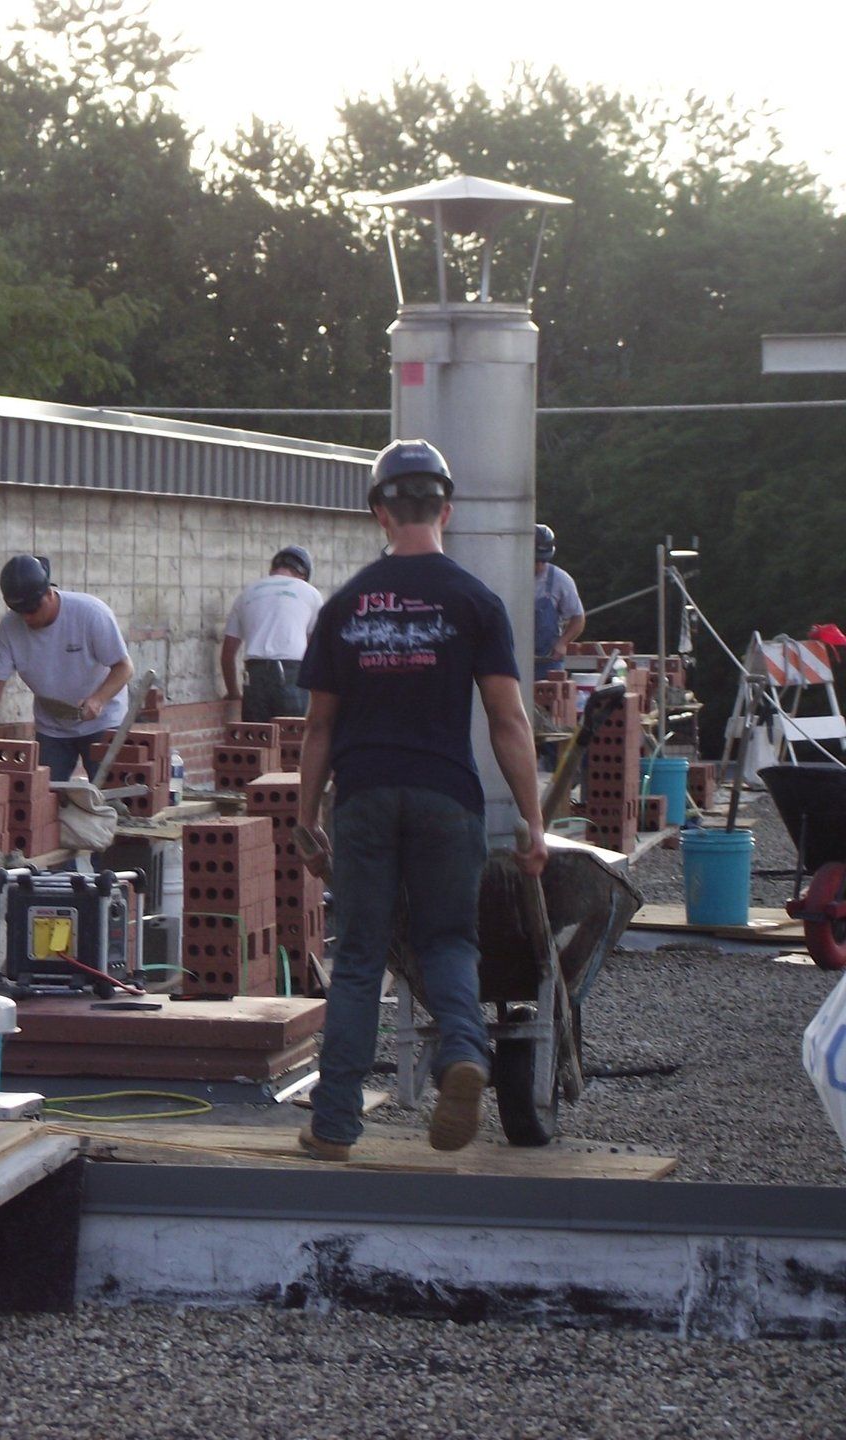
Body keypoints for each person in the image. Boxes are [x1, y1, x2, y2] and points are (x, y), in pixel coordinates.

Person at [293, 440, 548, 1162]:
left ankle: (336, 1123)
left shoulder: (343, 605)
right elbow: (508, 721)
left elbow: (318, 727)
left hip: (365, 795)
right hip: (447, 797)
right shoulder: (475, 601)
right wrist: (533, 822)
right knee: (448, 941)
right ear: (448, 509)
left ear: (379, 512)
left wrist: (306, 819)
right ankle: (462, 1053)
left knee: (361, 959)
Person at [0, 555, 134, 782]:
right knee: (44, 794)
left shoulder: (90, 614)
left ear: (49, 593)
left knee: (110, 795)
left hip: (103, 723)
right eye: (20, 611)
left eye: (32, 610)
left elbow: (124, 667)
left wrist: (98, 699)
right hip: (53, 727)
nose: (27, 618)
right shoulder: (10, 629)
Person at [221, 545, 322, 721]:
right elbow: (317, 650)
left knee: (258, 740)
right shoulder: (310, 593)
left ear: (273, 568)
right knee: (293, 740)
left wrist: (234, 693)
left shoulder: (246, 593)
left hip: (255, 675)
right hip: (293, 675)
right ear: (304, 573)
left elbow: (227, 653)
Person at [532, 524, 585, 680]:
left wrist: (563, 643)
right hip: (513, 658)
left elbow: (578, 618)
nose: (539, 565)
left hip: (547, 661)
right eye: (536, 560)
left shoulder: (560, 580)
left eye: (543, 561)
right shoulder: (507, 576)